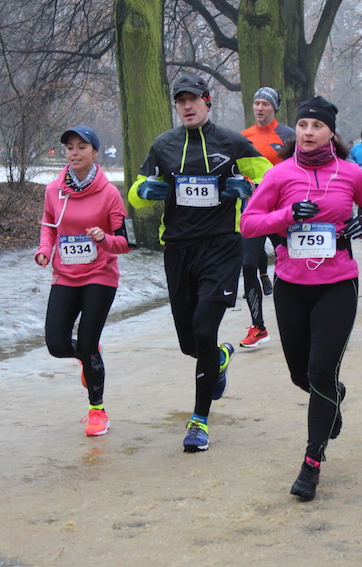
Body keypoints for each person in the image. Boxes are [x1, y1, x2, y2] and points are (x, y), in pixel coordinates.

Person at [240, 96, 362, 501]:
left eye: (317, 126)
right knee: (300, 375)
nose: (308, 132)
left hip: (338, 284)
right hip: (291, 285)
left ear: (331, 133)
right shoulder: (279, 174)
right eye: (303, 125)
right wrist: (288, 215)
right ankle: (332, 399)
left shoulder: (350, 173)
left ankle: (311, 463)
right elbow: (248, 224)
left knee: (320, 370)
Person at [128, 73, 272, 452]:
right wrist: (145, 190)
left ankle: (199, 420)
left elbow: (272, 181)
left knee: (205, 330)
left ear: (207, 101)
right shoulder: (163, 145)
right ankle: (219, 358)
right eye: (181, 100)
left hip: (221, 247)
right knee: (191, 343)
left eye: (193, 99)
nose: (187, 106)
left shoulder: (232, 142)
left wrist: (249, 188)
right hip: (178, 249)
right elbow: (136, 194)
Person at [36, 126, 133, 436]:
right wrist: (44, 250)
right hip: (65, 275)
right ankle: (89, 355)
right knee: (56, 344)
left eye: (81, 147)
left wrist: (104, 239)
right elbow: (49, 226)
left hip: (100, 276)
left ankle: (97, 411)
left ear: (95, 153)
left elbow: (126, 243)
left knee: (88, 342)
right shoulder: (54, 190)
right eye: (70, 147)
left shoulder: (109, 194)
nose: (74, 152)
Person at [238, 86, 294, 348]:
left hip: (282, 211)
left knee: (291, 263)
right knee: (248, 264)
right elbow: (236, 170)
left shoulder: (289, 136)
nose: (260, 108)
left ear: (275, 108)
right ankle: (258, 326)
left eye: (265, 104)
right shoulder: (243, 138)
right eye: (257, 103)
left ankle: (297, 319)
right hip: (254, 211)